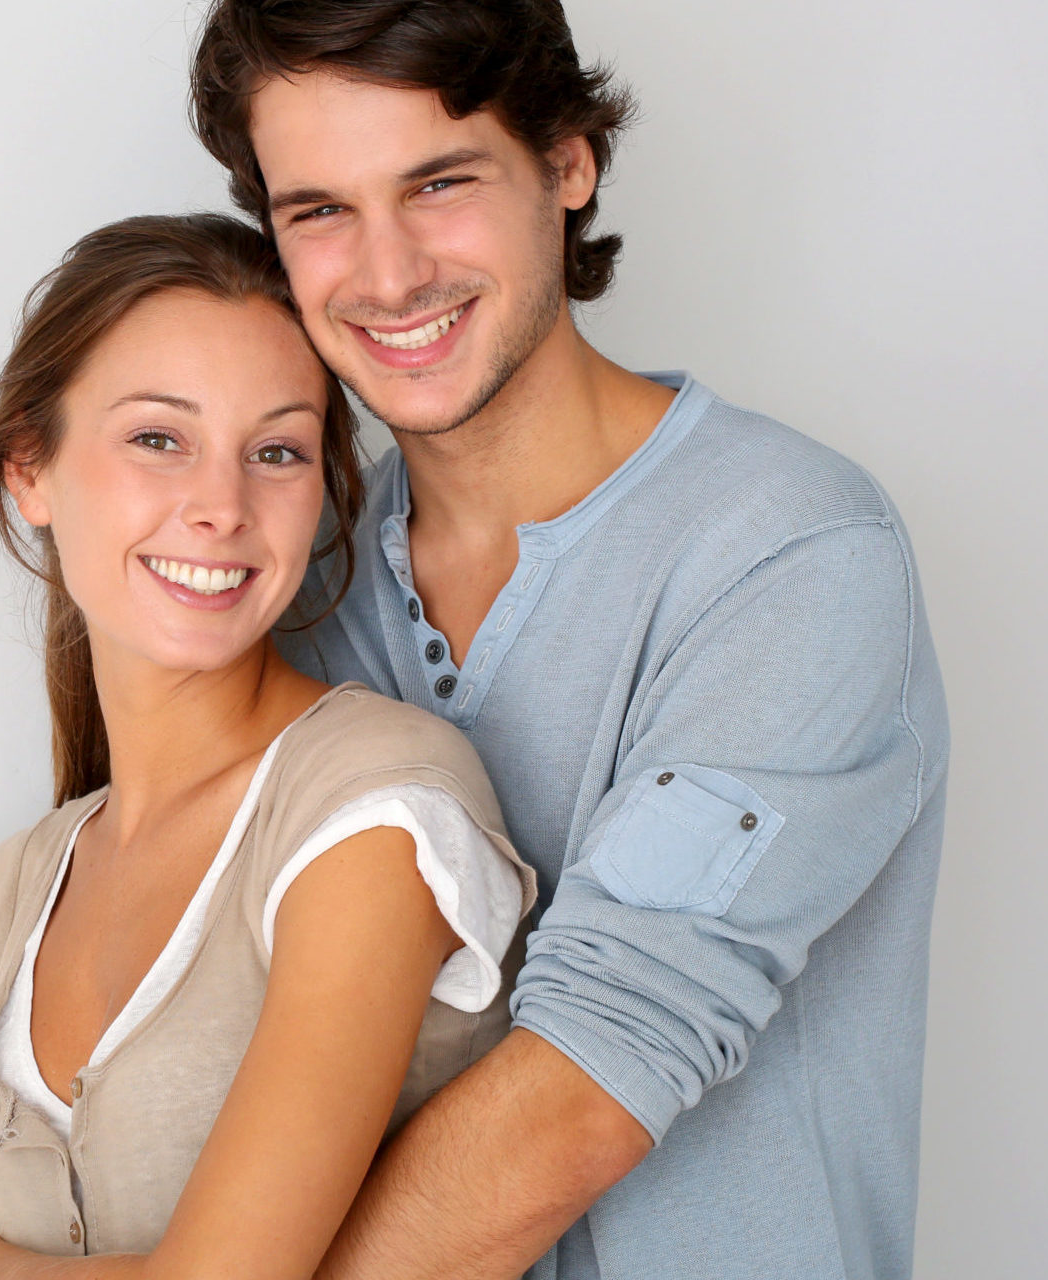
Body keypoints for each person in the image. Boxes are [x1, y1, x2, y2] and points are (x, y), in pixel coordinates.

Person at [187, 3, 952, 1279]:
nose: (384, 276)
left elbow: (584, 1086)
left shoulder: (792, 551)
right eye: (318, 208)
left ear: (567, 160)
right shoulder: (287, 584)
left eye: (437, 182)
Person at [0, 214, 538, 1280]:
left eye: (275, 451)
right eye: (158, 438)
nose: (220, 506)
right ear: (29, 469)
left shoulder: (375, 808)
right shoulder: (3, 902)